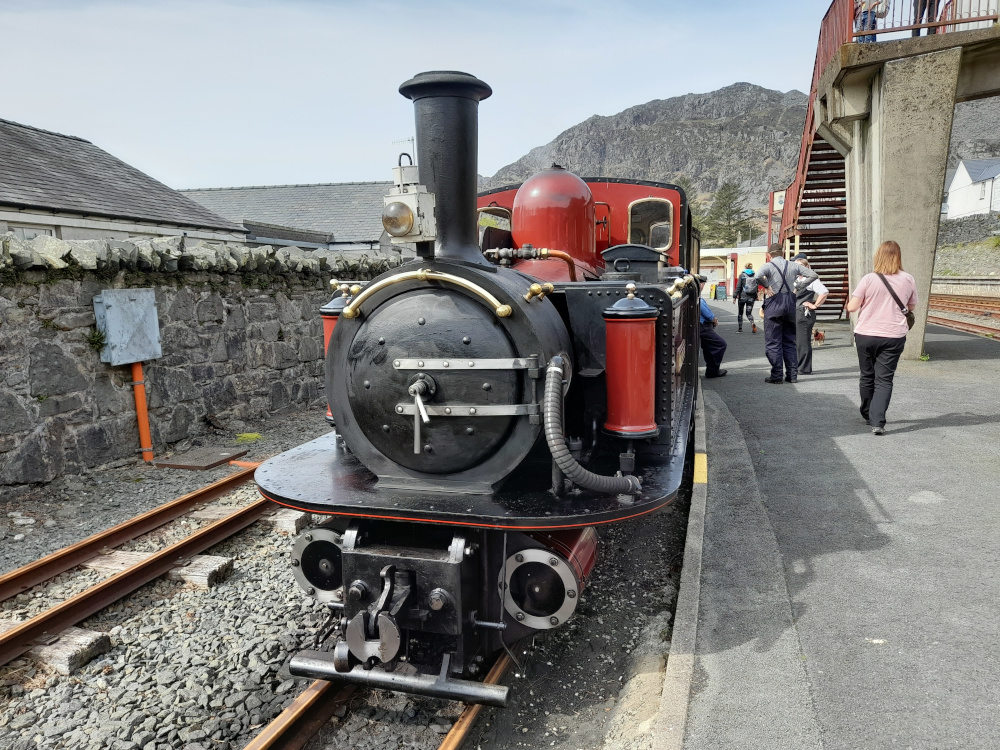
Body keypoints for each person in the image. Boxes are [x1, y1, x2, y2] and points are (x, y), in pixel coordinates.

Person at [845, 240, 917, 435]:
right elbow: (910, 307)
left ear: (878, 256)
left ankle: (867, 413)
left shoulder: (869, 279)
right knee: (884, 379)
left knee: (867, 375)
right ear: (898, 256)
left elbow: (852, 307)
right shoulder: (908, 279)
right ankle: (878, 422)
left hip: (866, 334)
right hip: (893, 336)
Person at [754, 245, 817, 384]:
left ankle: (776, 376)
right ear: (783, 253)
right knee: (789, 341)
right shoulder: (793, 265)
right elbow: (813, 275)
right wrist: (798, 287)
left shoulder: (768, 265)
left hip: (774, 303)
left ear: (769, 254)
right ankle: (792, 375)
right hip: (790, 303)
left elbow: (757, 276)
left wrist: (766, 286)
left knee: (773, 341)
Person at [793, 257, 829, 375]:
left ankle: (803, 368)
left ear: (806, 267)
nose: (796, 269)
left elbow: (824, 292)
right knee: (798, 341)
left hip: (805, 314)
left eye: (799, 266)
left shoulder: (812, 280)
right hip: (797, 313)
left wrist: (815, 305)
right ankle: (799, 366)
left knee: (803, 341)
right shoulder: (797, 279)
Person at [699, 282, 728, 379]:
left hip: (701, 326)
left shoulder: (697, 297)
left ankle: (711, 370)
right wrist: (713, 319)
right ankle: (713, 370)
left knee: (708, 347)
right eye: (702, 284)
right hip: (703, 326)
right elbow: (705, 311)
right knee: (720, 344)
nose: (702, 286)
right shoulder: (698, 298)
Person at [734, 263, 759, 334]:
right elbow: (756, 286)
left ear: (745, 267)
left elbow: (738, 286)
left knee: (740, 313)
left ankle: (740, 329)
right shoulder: (755, 275)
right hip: (751, 297)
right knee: (749, 313)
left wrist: (734, 296)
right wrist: (756, 295)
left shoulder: (742, 275)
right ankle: (752, 323)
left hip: (742, 297)